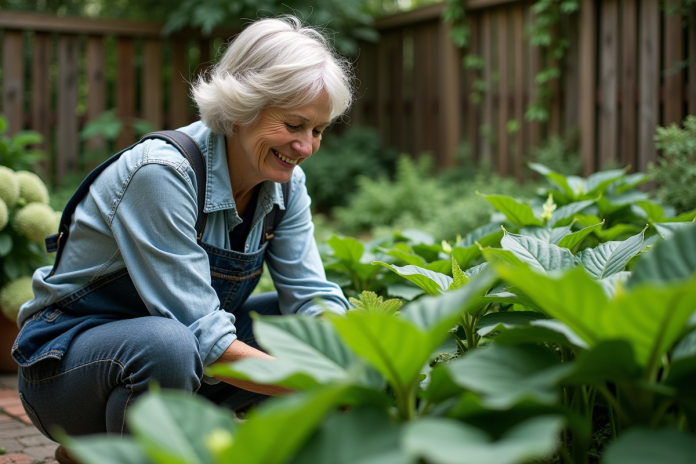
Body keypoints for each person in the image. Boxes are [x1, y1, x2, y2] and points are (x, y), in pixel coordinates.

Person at [12, 15, 353, 461]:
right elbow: (202, 339)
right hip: (67, 374)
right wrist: (320, 381)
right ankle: (113, 448)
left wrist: (351, 353)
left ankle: (104, 451)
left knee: (292, 330)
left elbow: (310, 294)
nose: (305, 146)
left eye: (318, 130)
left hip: (179, 371)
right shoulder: (162, 174)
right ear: (243, 106)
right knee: (168, 344)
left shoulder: (288, 186)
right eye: (293, 125)